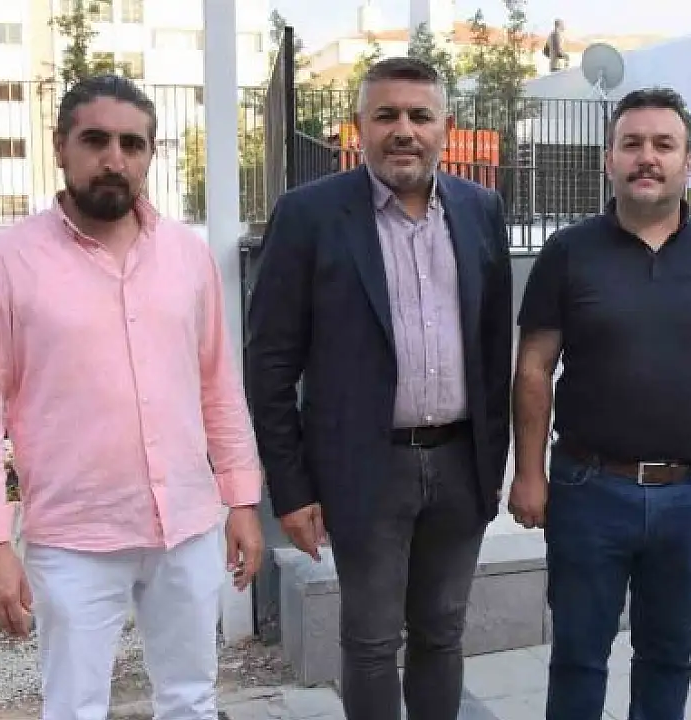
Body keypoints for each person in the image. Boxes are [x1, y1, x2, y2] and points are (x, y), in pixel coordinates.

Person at [0, 74, 264, 720]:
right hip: (75, 535)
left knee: (191, 699)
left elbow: (218, 384)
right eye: (95, 140)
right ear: (60, 146)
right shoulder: (4, 263)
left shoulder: (187, 256)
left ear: (149, 154)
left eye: (132, 144)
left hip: (187, 524)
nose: (115, 159)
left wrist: (242, 501)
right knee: (74, 707)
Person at [245, 56, 513, 720]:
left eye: (420, 116)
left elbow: (493, 346)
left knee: (442, 633)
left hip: (461, 464)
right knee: (369, 642)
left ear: (444, 127)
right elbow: (270, 363)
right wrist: (292, 488)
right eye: (386, 115)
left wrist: (493, 463)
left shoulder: (480, 210)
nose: (404, 130)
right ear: (359, 126)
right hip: (364, 470)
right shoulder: (309, 215)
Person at [509, 86, 691, 720]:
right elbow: (534, 367)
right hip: (589, 491)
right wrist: (529, 474)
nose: (646, 157)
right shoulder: (568, 252)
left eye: (663, 144)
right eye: (632, 144)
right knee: (578, 656)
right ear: (609, 159)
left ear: (687, 160)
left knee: (668, 657)